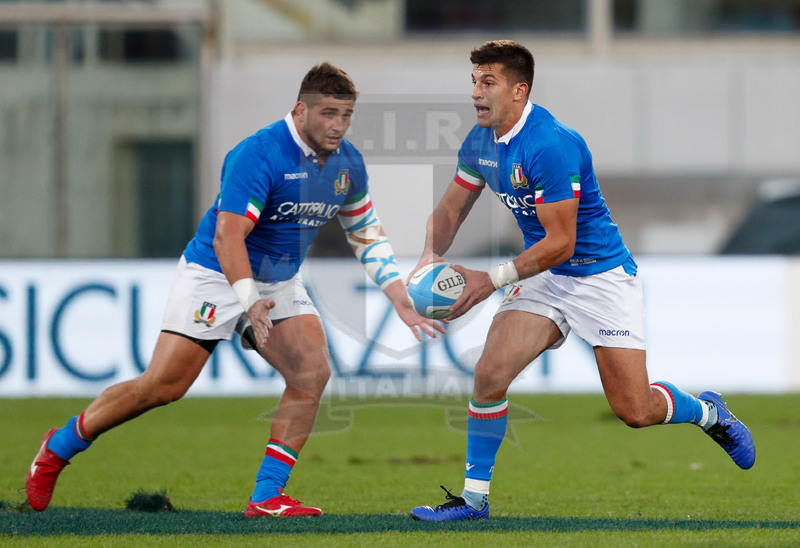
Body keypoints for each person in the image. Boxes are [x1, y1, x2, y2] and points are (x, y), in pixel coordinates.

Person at [25, 62, 444, 517]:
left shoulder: (348, 164)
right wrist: (249, 303)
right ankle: (59, 446)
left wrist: (398, 296)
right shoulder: (259, 154)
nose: (338, 125)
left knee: (311, 373)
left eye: (346, 115)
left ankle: (267, 496)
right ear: (300, 109)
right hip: (216, 275)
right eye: (328, 113)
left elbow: (365, 232)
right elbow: (228, 238)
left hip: (279, 280)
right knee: (162, 387)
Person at [409, 41, 755, 522]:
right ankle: (473, 500)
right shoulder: (480, 141)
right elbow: (451, 209)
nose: (476, 92)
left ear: (519, 89)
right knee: (489, 374)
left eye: (488, 82)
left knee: (635, 410)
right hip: (542, 275)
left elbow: (563, 242)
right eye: (473, 81)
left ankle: (708, 412)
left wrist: (490, 280)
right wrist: (428, 258)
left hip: (598, 277)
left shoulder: (550, 144)